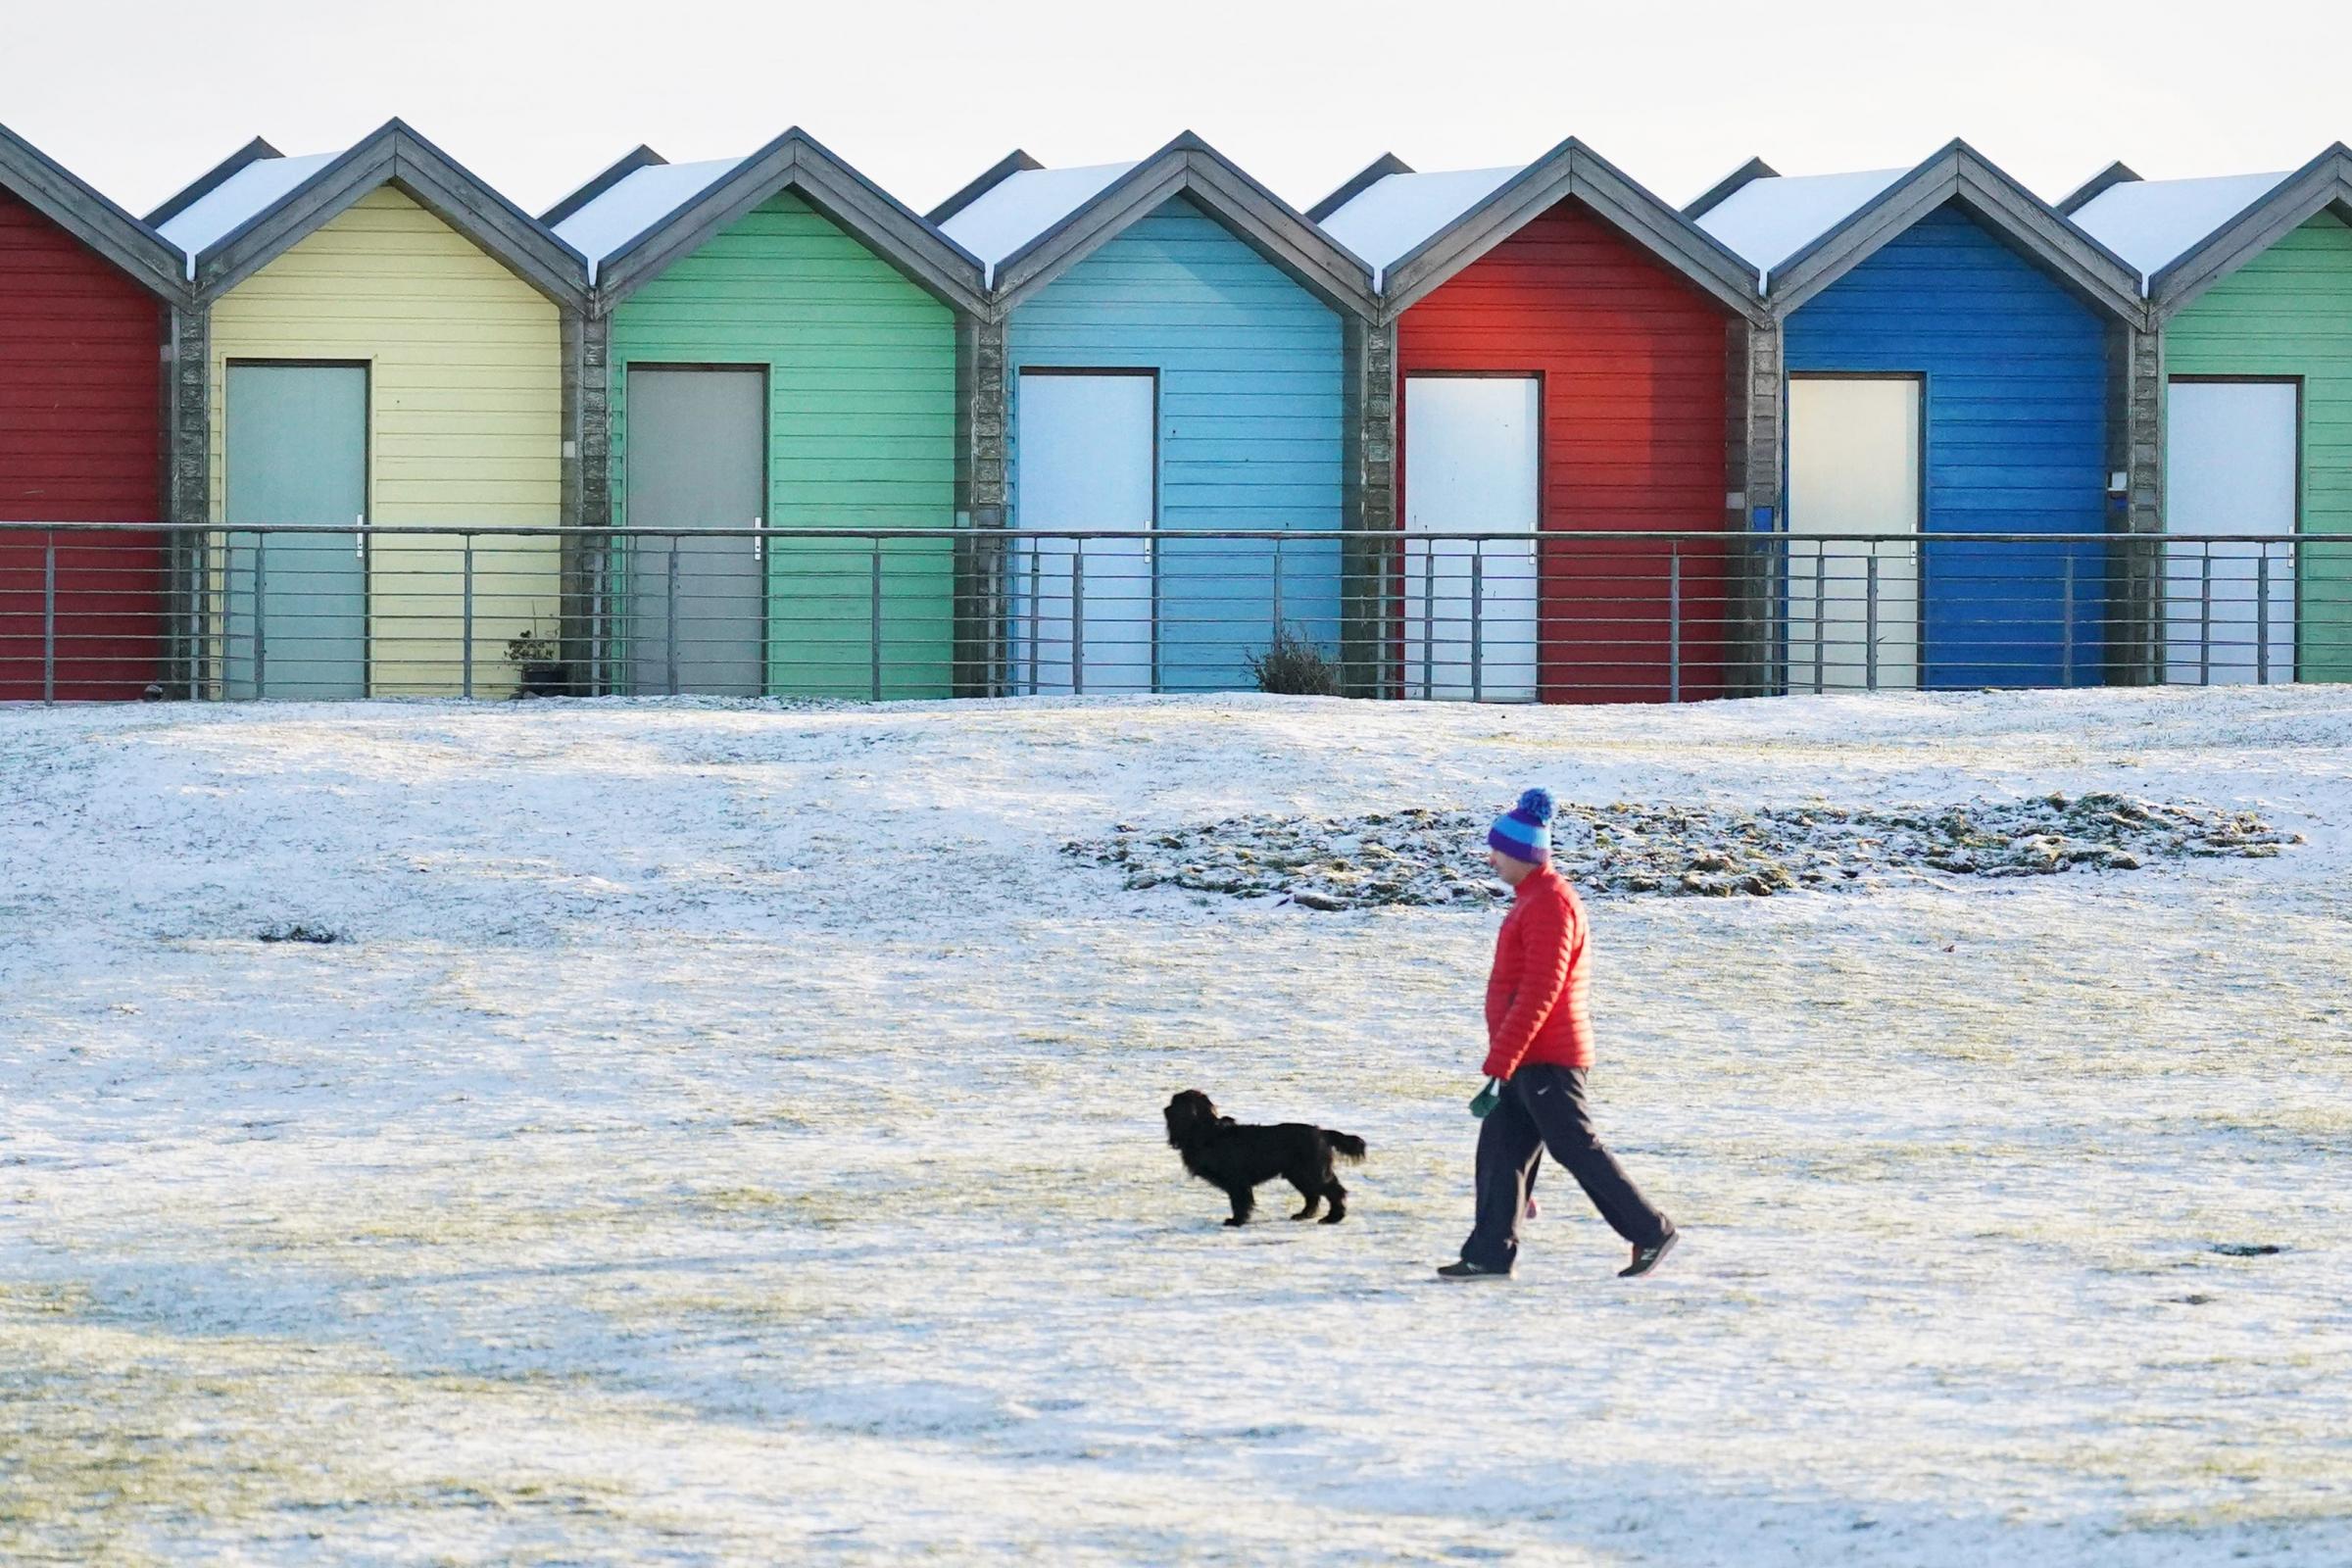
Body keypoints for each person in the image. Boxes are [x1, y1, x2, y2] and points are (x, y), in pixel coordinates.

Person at [1437, 788, 1678, 1282]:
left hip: (1547, 1056)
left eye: (1498, 851)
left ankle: (1651, 1231)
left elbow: (1540, 990)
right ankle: (1487, 1254)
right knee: (1501, 1154)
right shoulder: (1532, 898)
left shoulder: (1549, 904)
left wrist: (1503, 1059)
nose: (1491, 859)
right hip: (1525, 1055)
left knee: (1575, 1147)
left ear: (1524, 854)